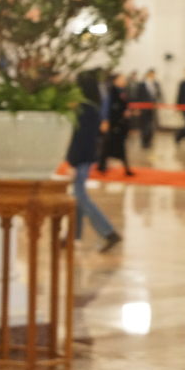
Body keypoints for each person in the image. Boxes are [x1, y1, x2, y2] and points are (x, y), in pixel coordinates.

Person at [69, 72, 122, 253]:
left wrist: (72, 161)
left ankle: (108, 232)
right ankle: (73, 236)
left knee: (80, 196)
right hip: (86, 156)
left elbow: (79, 139)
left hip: (81, 157)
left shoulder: (83, 109)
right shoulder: (93, 107)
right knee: (77, 197)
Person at [98, 73, 133, 176]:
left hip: (121, 124)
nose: (124, 81)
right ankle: (103, 166)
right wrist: (105, 120)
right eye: (122, 79)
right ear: (116, 81)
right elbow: (106, 107)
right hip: (113, 124)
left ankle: (102, 165)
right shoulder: (111, 93)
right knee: (108, 145)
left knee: (111, 146)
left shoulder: (124, 92)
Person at [134, 68, 162, 149]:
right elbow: (137, 96)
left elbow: (159, 95)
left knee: (151, 126)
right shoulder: (141, 85)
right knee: (143, 126)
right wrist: (137, 108)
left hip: (152, 108)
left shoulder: (156, 84)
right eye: (151, 75)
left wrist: (157, 103)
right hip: (143, 108)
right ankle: (144, 141)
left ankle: (149, 141)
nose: (152, 76)